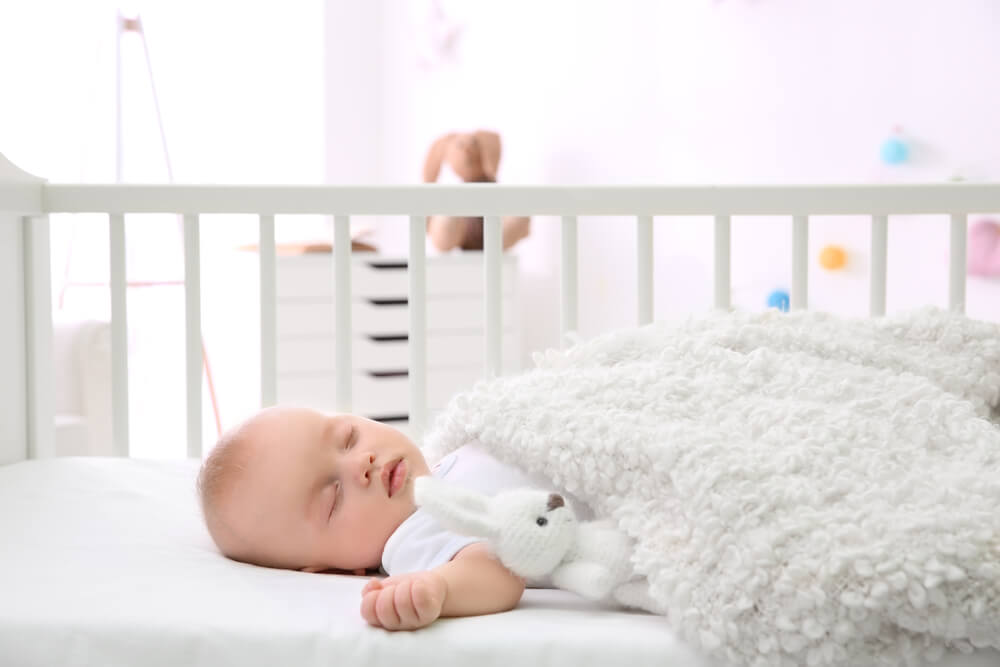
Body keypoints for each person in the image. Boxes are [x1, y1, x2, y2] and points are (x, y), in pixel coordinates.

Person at [197, 406, 589, 631]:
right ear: (331, 570)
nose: (361, 464)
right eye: (334, 495)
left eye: (348, 438)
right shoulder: (410, 539)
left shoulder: (439, 468)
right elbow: (497, 574)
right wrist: (438, 589)